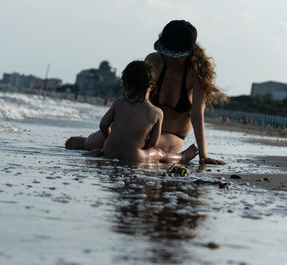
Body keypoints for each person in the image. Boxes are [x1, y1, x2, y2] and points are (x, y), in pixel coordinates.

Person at [66, 20, 226, 165]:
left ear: (188, 53)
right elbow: (133, 95)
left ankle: (182, 156)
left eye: (175, 56)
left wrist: (203, 155)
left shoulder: (197, 75)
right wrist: (119, 128)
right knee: (104, 142)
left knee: (150, 150)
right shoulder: (154, 61)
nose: (169, 59)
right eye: (166, 52)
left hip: (173, 135)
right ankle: (88, 142)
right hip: (140, 126)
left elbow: (197, 114)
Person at [83, 60, 198, 164]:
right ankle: (182, 157)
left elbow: (103, 125)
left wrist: (109, 138)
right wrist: (143, 150)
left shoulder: (118, 103)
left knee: (108, 150)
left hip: (109, 151)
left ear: (125, 84)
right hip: (135, 157)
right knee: (159, 153)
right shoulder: (156, 112)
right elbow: (153, 142)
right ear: (152, 88)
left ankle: (99, 152)